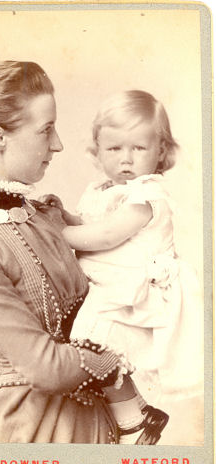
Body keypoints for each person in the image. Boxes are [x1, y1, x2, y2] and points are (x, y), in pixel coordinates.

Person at [0, 60, 146, 444]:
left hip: (107, 418)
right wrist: (113, 363)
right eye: (46, 130)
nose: (58, 143)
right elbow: (46, 367)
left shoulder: (48, 215)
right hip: (31, 432)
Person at [44, 90, 204, 443]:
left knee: (95, 345)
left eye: (139, 148)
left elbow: (106, 236)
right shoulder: (104, 190)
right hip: (109, 286)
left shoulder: (146, 196)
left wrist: (58, 232)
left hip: (133, 293)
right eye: (115, 149)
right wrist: (65, 216)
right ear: (97, 152)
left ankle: (133, 419)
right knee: (94, 348)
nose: (126, 159)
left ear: (161, 151)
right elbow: (92, 222)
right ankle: (134, 414)